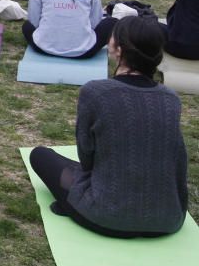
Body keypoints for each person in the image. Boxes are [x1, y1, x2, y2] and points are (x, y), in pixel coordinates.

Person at [29, 16, 187, 239]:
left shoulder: (96, 92)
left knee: (41, 156)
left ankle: (74, 206)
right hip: (168, 219)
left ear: (119, 50)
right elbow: (177, 160)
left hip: (106, 216)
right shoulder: (171, 98)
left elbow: (87, 157)